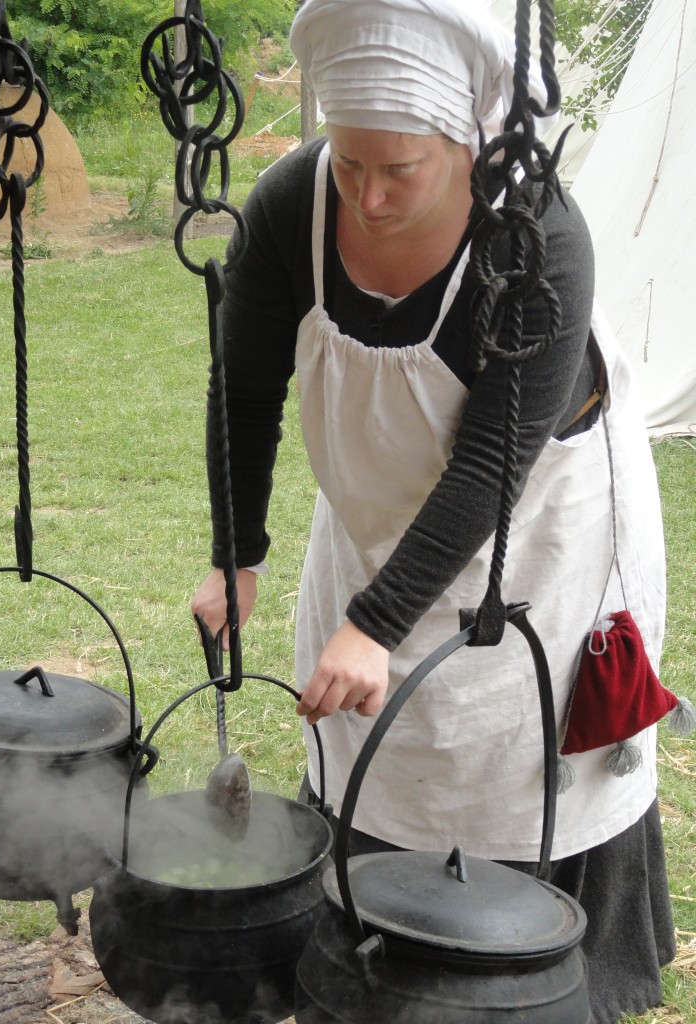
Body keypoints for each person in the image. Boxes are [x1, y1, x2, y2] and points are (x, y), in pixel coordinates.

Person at [191, 1, 675, 1020]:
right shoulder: (294, 205)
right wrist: (237, 556)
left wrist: (374, 623)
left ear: (466, 139)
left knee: (504, 770)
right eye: (349, 163)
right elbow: (243, 385)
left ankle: (518, 990)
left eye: (398, 169)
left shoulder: (540, 241)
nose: (367, 196)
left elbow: (491, 464)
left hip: (532, 544)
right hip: (372, 521)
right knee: (379, 767)